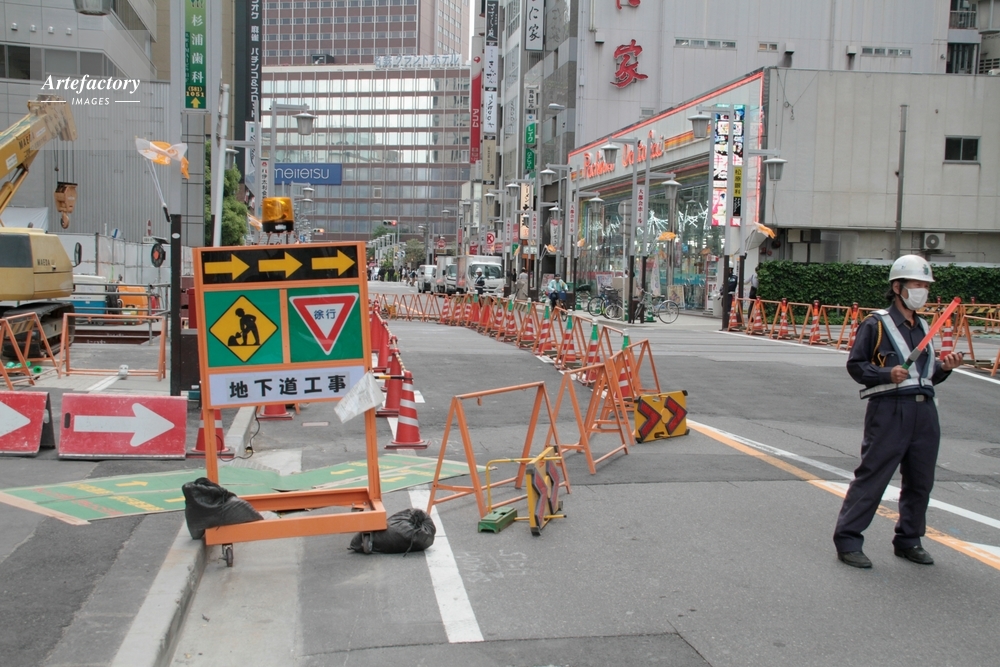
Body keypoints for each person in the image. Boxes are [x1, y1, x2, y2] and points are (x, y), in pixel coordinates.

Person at [833, 255, 964, 569]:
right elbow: (856, 365)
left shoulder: (923, 326)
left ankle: (909, 540)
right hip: (889, 410)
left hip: (924, 412)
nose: (922, 291)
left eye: (925, 286)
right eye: (916, 284)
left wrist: (945, 368)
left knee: (921, 480)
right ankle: (848, 540)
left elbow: (926, 376)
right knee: (873, 476)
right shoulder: (876, 324)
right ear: (897, 287)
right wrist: (885, 373)